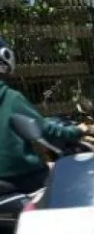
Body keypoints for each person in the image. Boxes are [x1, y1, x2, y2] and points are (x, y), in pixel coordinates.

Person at [0, 37, 88, 194]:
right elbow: (46, 131)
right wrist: (77, 131)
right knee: (71, 182)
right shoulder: (11, 98)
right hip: (22, 178)